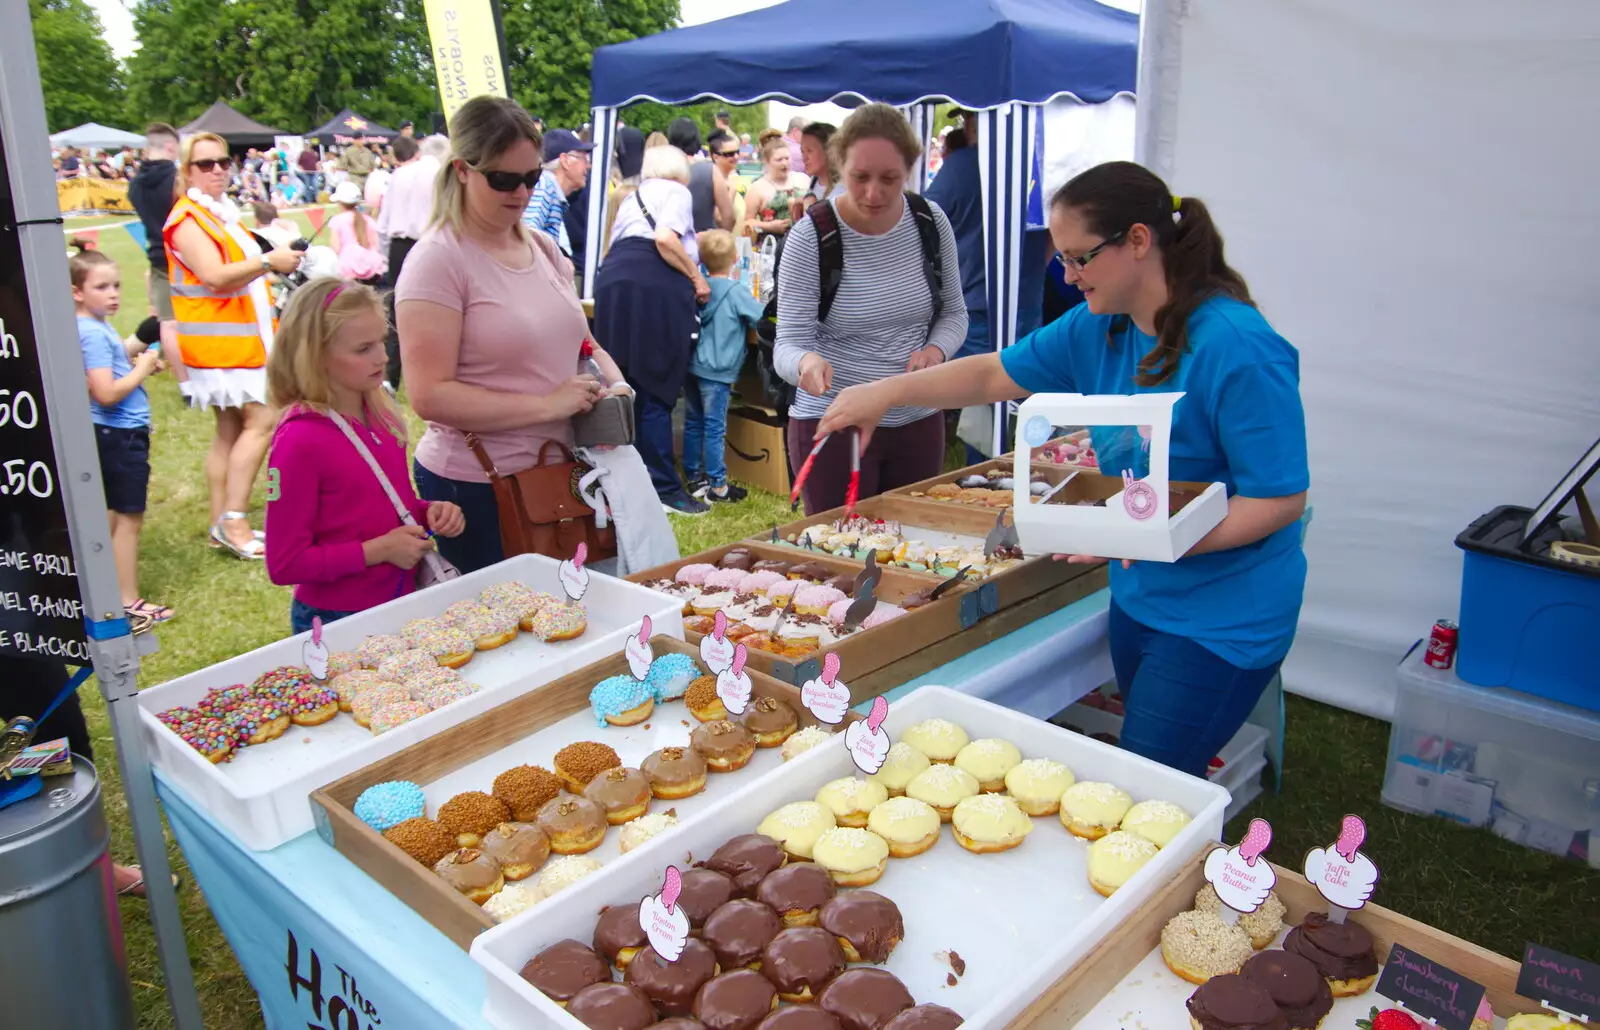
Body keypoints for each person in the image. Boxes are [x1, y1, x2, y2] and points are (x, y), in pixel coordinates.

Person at [819, 160, 1310, 777]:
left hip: (1223, 617)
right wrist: (888, 391)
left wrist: (1152, 538)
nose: (1068, 276)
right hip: (1141, 599)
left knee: (1147, 783)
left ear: (1137, 240)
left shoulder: (1236, 346)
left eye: (1080, 258)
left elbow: (1279, 498)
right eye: (1062, 260)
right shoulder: (1099, 325)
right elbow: (996, 372)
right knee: (1152, 770)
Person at [396, 96, 631, 573]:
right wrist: (547, 406)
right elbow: (429, 395)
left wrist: (612, 381)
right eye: (503, 179)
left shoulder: (541, 246)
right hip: (481, 488)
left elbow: (581, 341)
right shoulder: (437, 260)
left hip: (561, 473)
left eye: (531, 178)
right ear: (462, 170)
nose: (520, 193)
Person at [774, 103, 965, 513]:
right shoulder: (812, 237)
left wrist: (936, 351)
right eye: (860, 178)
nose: (873, 193)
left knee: (916, 550)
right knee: (838, 555)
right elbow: (786, 344)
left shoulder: (930, 222)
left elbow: (954, 314)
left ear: (911, 170)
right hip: (834, 421)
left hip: (916, 418)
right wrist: (806, 362)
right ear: (840, 165)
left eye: (889, 178)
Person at [264, 279, 464, 633]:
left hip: (402, 597)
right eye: (363, 349)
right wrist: (377, 551)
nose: (383, 357)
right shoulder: (299, 440)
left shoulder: (380, 415)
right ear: (316, 355)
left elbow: (376, 503)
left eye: (382, 342)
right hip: (339, 618)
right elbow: (284, 563)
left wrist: (426, 511)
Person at [164, 131, 302, 559]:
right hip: (225, 345)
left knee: (230, 430)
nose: (218, 170)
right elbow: (214, 275)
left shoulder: (218, 214)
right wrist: (267, 261)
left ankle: (220, 523)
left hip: (232, 341)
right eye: (206, 164)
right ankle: (234, 520)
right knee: (263, 419)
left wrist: (273, 260)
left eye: (224, 161)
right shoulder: (188, 218)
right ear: (187, 171)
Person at [597, 144, 709, 516]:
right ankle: (663, 487)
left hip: (613, 280)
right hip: (654, 285)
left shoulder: (632, 196)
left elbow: (611, 247)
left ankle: (619, 482)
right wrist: (696, 278)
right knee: (657, 386)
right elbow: (664, 238)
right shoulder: (676, 191)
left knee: (621, 384)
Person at [71, 244, 172, 625]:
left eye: (116, 286)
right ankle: (128, 601)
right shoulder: (93, 333)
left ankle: (109, 589)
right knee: (129, 519)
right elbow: (107, 393)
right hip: (119, 433)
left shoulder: (91, 327)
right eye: (101, 287)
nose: (113, 294)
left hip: (110, 433)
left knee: (114, 516)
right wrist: (143, 368)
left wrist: (135, 365)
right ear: (76, 292)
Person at [684, 230, 762, 503]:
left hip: (693, 366)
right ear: (735, 259)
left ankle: (694, 476)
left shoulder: (697, 288)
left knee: (694, 422)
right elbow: (759, 319)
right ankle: (718, 485)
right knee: (715, 427)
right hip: (718, 372)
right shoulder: (736, 291)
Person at [376, 133, 442, 392]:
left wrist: (385, 256)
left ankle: (390, 378)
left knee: (396, 312)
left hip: (399, 246)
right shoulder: (437, 172)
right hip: (429, 243)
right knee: (437, 310)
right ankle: (433, 375)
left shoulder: (397, 176)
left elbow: (383, 224)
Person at [127, 123, 189, 394]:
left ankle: (185, 386)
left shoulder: (134, 186)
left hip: (157, 255)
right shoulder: (178, 179)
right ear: (171, 146)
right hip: (186, 254)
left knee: (168, 322)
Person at [521, 128, 592, 262]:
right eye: (583, 158)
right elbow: (526, 236)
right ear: (565, 160)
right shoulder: (545, 186)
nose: (588, 166)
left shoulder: (549, 189)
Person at [743, 136, 811, 245]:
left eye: (787, 158)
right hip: (772, 246)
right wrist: (769, 226)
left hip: (804, 243)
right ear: (767, 161)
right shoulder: (757, 188)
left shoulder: (804, 180)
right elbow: (746, 224)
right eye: (779, 160)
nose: (784, 163)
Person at [668, 117, 727, 234]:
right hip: (703, 241)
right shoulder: (710, 170)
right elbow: (728, 215)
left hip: (670, 240)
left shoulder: (661, 170)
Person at [328, 181, 387, 285]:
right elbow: (377, 245)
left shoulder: (337, 221)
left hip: (349, 267)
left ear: (340, 202)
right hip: (373, 265)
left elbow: (336, 248)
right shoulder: (368, 219)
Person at [798, 121, 841, 210]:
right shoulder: (814, 181)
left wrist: (810, 207)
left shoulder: (842, 190)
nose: (804, 158)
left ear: (829, 150)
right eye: (802, 151)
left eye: (809, 151)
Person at [706, 130, 743, 231]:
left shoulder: (735, 179)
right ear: (715, 156)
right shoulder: (711, 182)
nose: (736, 157)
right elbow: (720, 220)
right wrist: (731, 193)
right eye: (729, 154)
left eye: (737, 152)